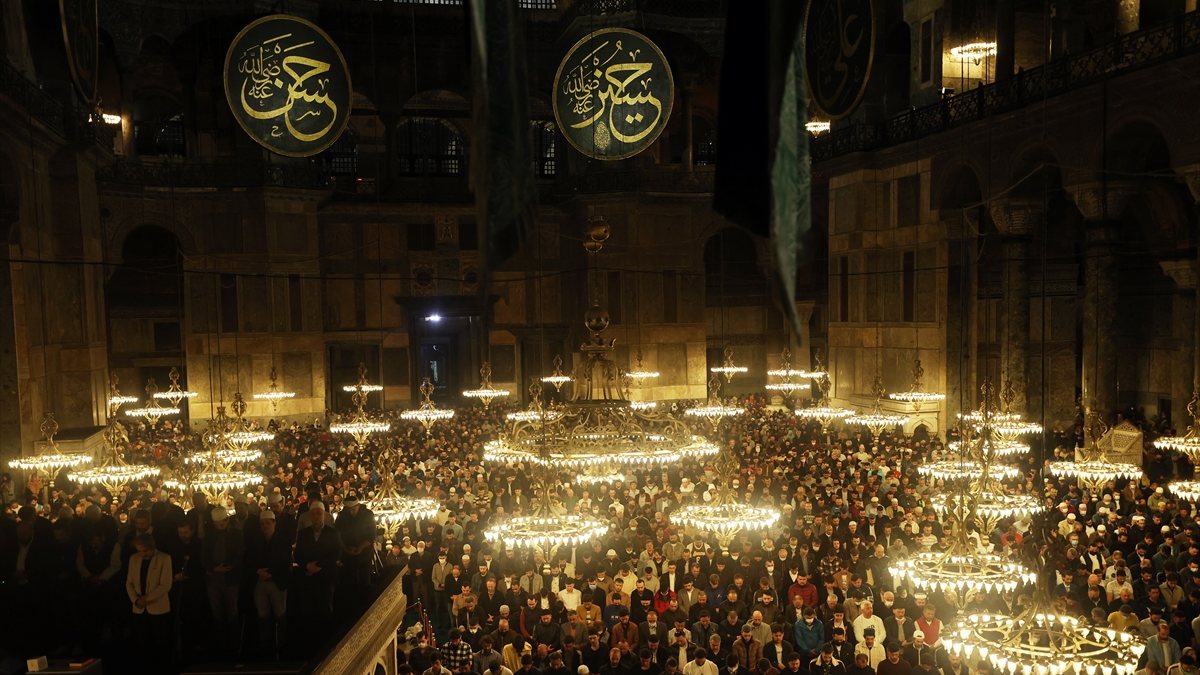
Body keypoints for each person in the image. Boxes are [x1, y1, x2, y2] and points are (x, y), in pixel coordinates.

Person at [293, 500, 342, 651]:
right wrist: (307, 565)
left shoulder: (333, 533)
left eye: (318, 514)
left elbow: (336, 553)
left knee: (325, 608)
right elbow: (298, 555)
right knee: (308, 609)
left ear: (324, 515)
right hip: (307, 577)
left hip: (325, 576)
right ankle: (310, 643)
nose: (316, 517)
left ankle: (327, 642)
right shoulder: (302, 534)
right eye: (313, 514)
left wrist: (319, 566)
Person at [125, 532, 173, 673]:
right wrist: (135, 600)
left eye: (144, 551)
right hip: (139, 609)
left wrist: (146, 598)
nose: (142, 554)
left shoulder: (164, 559)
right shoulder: (133, 559)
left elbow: (165, 585)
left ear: (151, 547)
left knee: (160, 643)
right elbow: (129, 582)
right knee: (142, 643)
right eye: (139, 551)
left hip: (158, 609)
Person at [248, 509, 292, 657]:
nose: (265, 526)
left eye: (267, 523)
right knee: (263, 615)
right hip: (260, 582)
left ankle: (282, 645)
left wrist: (271, 573)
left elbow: (286, 561)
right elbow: (250, 559)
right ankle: (265, 646)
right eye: (262, 524)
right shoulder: (255, 540)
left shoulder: (283, 540)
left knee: (280, 614)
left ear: (274, 524)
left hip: (277, 581)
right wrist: (258, 571)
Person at [202, 504, 243, 654]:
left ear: (227, 521)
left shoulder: (236, 534)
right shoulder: (209, 536)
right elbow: (204, 556)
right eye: (217, 525)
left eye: (222, 524)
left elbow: (239, 554)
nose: (220, 527)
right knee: (216, 612)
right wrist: (213, 568)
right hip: (213, 579)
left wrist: (227, 566)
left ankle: (234, 644)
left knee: (232, 611)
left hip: (230, 578)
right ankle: (220, 644)